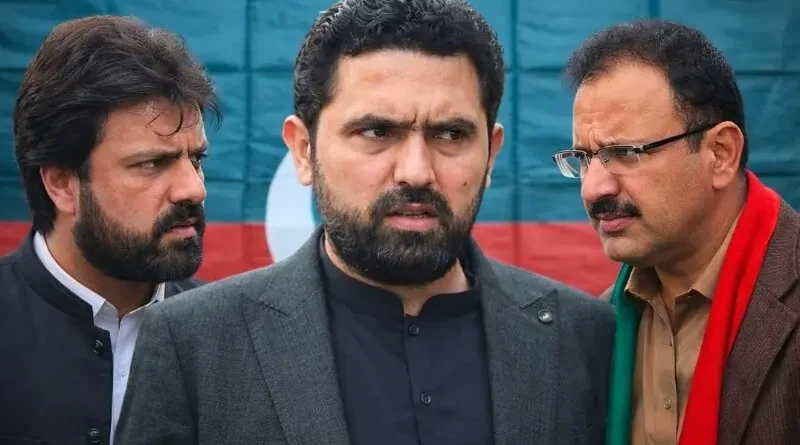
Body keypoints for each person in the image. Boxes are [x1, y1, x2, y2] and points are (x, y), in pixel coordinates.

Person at [115, 1, 614, 444]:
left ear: (491, 154)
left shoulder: (586, 337)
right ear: (303, 150)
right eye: (377, 131)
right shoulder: (192, 344)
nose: (416, 171)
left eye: (450, 134)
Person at [552, 19, 800, 445]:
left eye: (624, 153)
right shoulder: (599, 324)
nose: (593, 189)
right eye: (584, 158)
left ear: (720, 153)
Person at [0, 15, 220, 445]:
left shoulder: (230, 334)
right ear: (61, 183)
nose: (194, 189)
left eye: (196, 159)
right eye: (152, 163)